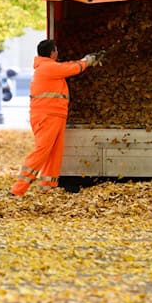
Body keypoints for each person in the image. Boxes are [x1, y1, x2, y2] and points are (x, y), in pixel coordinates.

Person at [9, 40, 100, 196]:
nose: (57, 53)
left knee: (54, 152)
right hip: (47, 116)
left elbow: (66, 65)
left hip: (53, 115)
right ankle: (18, 189)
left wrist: (86, 60)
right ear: (52, 53)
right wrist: (88, 61)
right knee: (42, 150)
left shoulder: (47, 67)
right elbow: (70, 68)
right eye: (56, 50)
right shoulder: (48, 67)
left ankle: (47, 186)